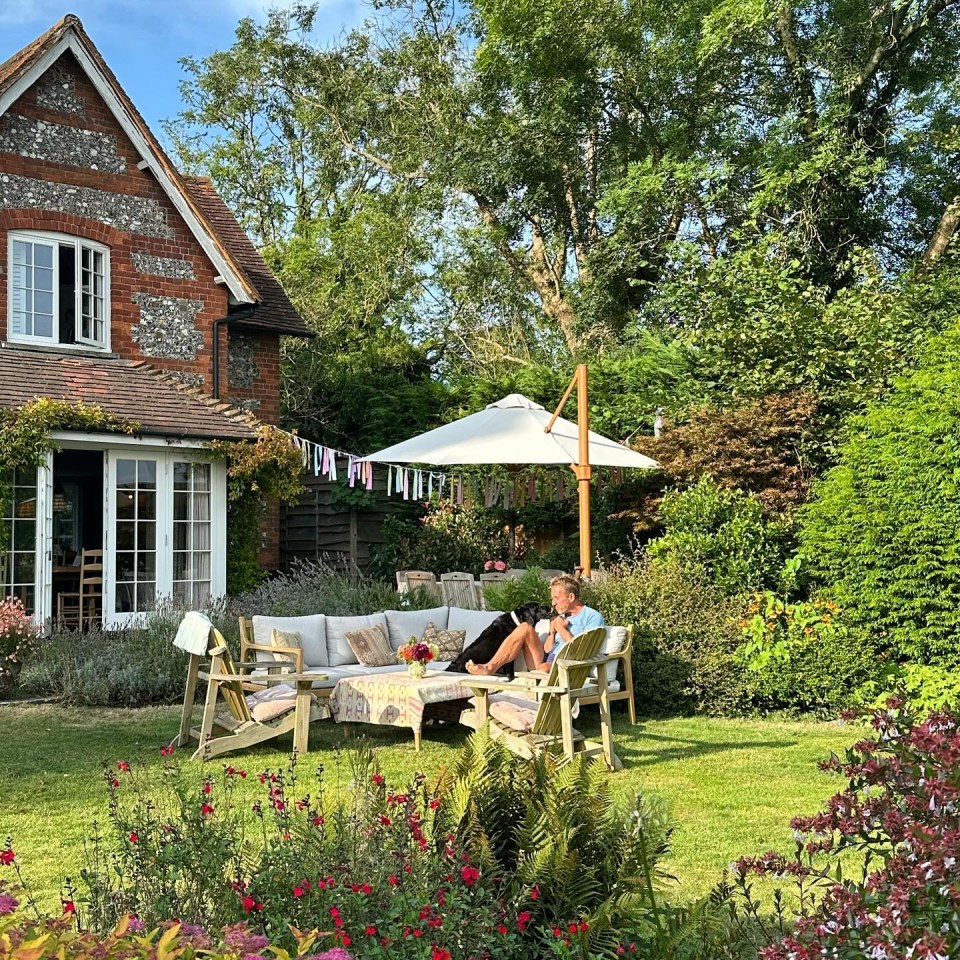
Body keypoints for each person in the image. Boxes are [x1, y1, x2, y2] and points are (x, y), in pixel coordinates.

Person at [466, 574, 605, 676]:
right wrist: (552, 633)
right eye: (552, 599)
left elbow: (582, 651)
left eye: (556, 598)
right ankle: (490, 667)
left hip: (568, 665)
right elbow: (548, 648)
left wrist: (560, 627)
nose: (553, 603)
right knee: (524, 627)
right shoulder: (560, 617)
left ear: (571, 597)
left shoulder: (592, 617)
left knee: (544, 668)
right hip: (547, 661)